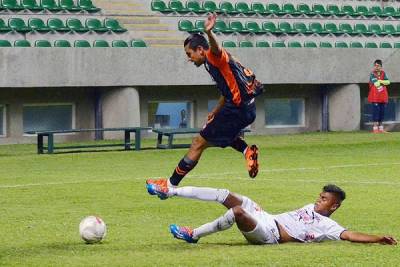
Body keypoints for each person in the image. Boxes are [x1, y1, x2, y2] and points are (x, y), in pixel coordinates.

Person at [146, 13, 264, 192]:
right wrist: (215, 111)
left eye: (189, 53)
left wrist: (209, 32)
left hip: (236, 110)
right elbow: (227, 92)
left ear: (200, 49)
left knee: (198, 143)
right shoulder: (217, 65)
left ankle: (169, 185)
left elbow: (216, 49)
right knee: (218, 136)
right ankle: (247, 151)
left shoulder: (213, 57)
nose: (189, 58)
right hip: (247, 109)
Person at [147, 183, 397, 245]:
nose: (317, 200)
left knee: (236, 212)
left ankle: (194, 234)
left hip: (270, 234)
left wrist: (377, 238)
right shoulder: (310, 208)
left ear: (334, 206)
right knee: (225, 194)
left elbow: (350, 234)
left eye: (323, 199)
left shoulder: (328, 227)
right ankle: (170, 190)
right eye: (319, 196)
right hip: (266, 216)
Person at [368, 59, 390, 133]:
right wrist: (381, 82)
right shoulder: (372, 74)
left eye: (378, 66)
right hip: (375, 96)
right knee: (376, 112)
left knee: (382, 112)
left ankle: (381, 128)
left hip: (383, 96)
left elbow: (388, 82)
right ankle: (375, 128)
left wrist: (380, 81)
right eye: (375, 65)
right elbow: (376, 83)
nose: (376, 67)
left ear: (381, 66)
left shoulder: (384, 73)